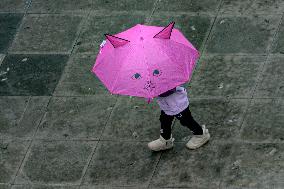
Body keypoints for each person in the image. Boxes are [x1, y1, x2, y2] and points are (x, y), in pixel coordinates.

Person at [148, 86, 210, 151]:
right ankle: (165, 139)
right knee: (164, 119)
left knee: (185, 119)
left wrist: (156, 90)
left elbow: (169, 88)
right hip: (165, 102)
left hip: (176, 101)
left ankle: (200, 134)